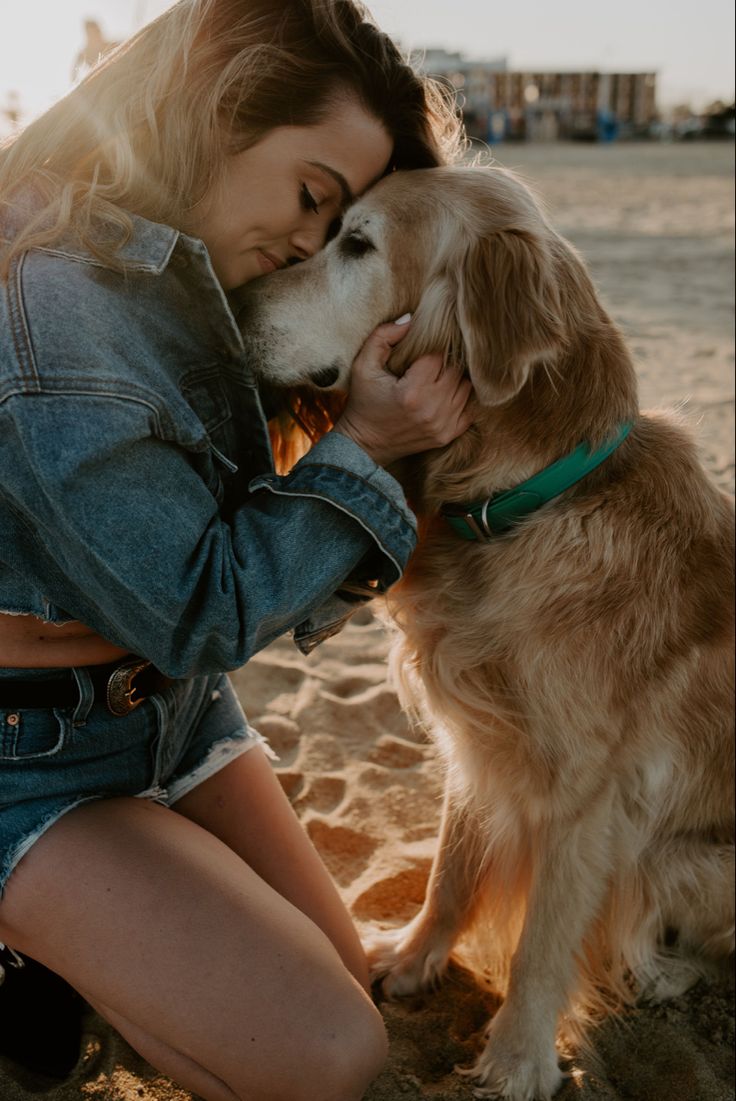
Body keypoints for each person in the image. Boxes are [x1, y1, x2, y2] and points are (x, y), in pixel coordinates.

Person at [0, 2, 472, 1100]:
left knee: (343, 980)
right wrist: (361, 447)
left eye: (339, 216)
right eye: (311, 195)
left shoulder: (191, 278)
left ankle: (78, 958)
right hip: (30, 758)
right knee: (325, 1058)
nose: (312, 241)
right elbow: (201, 607)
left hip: (174, 714)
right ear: (213, 116)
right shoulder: (60, 315)